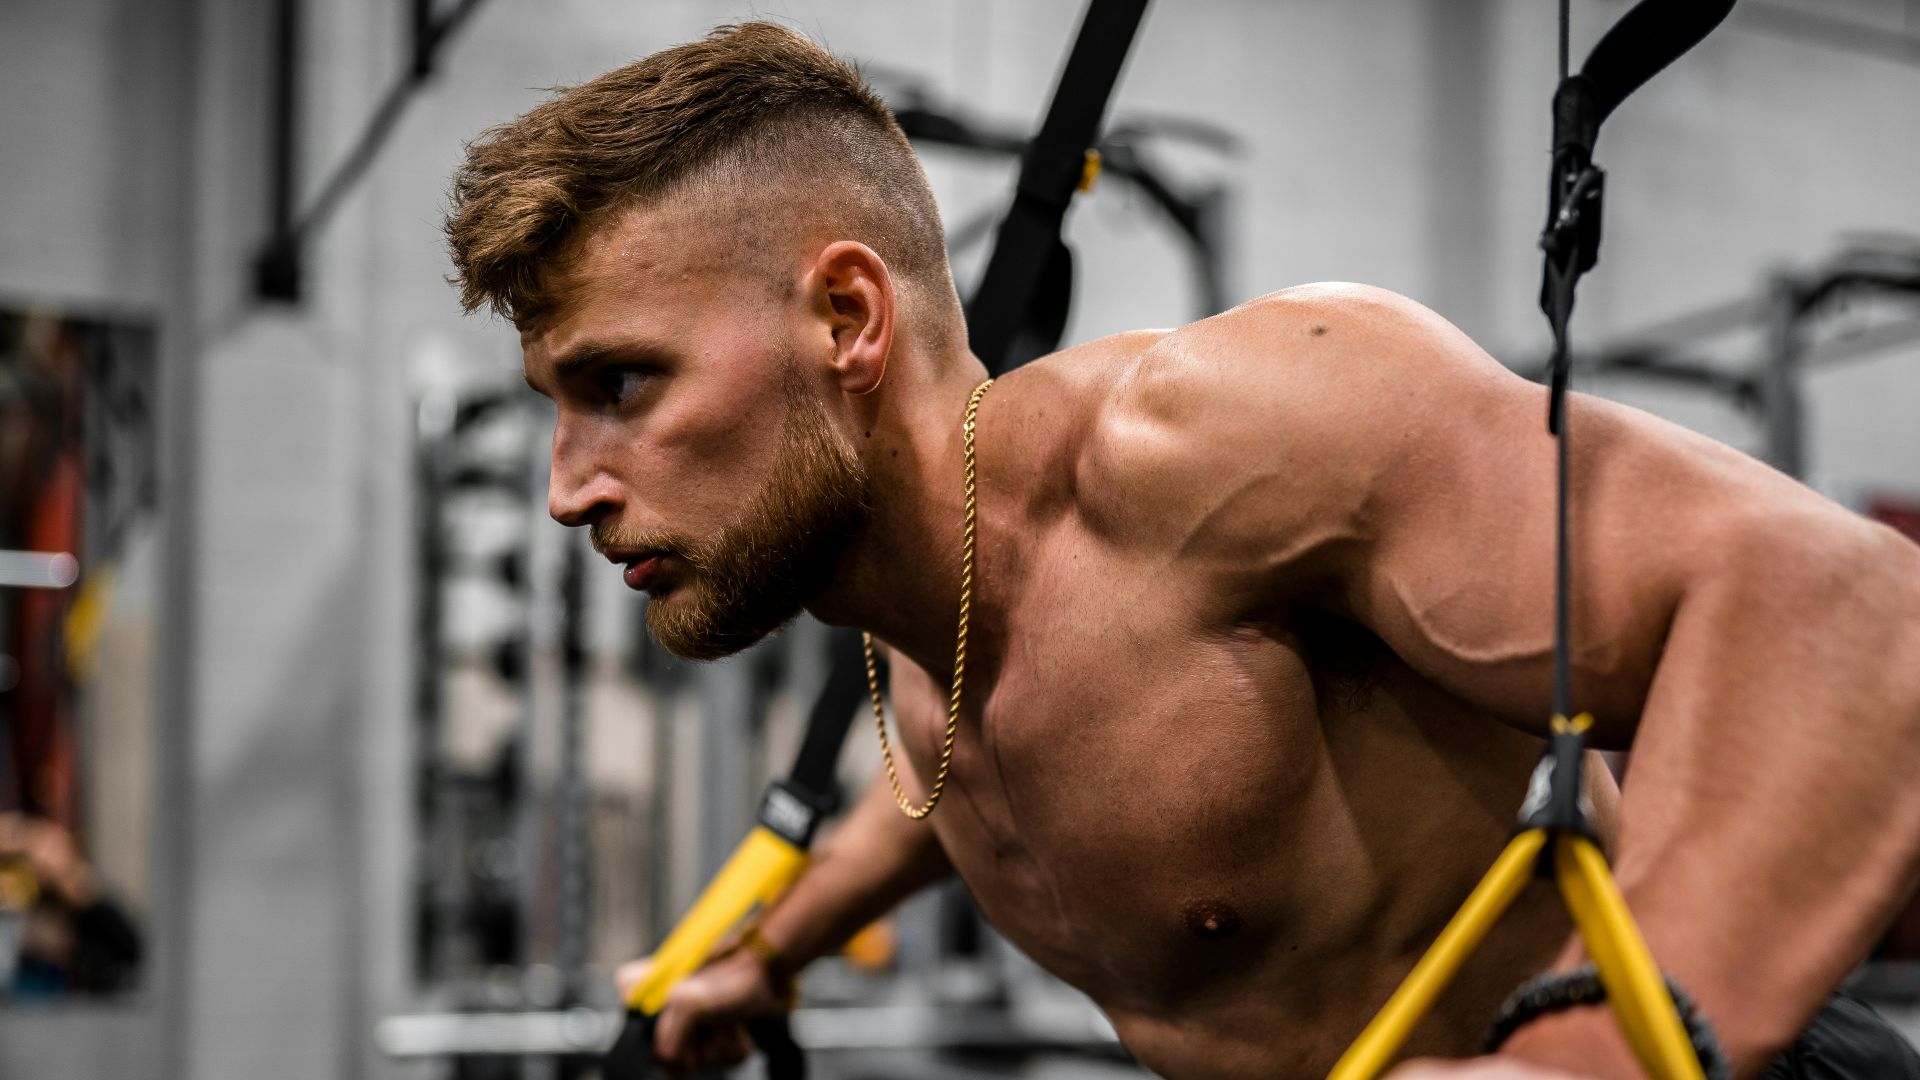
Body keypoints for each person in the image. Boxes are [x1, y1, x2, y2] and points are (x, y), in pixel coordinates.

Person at [444, 22, 1920, 1080]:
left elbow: (1855, 615)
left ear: (847, 320)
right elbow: (978, 787)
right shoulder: (923, 637)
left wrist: (1583, 1063)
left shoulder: (1223, 443)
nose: (568, 489)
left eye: (619, 382)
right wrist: (774, 950)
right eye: (554, 406)